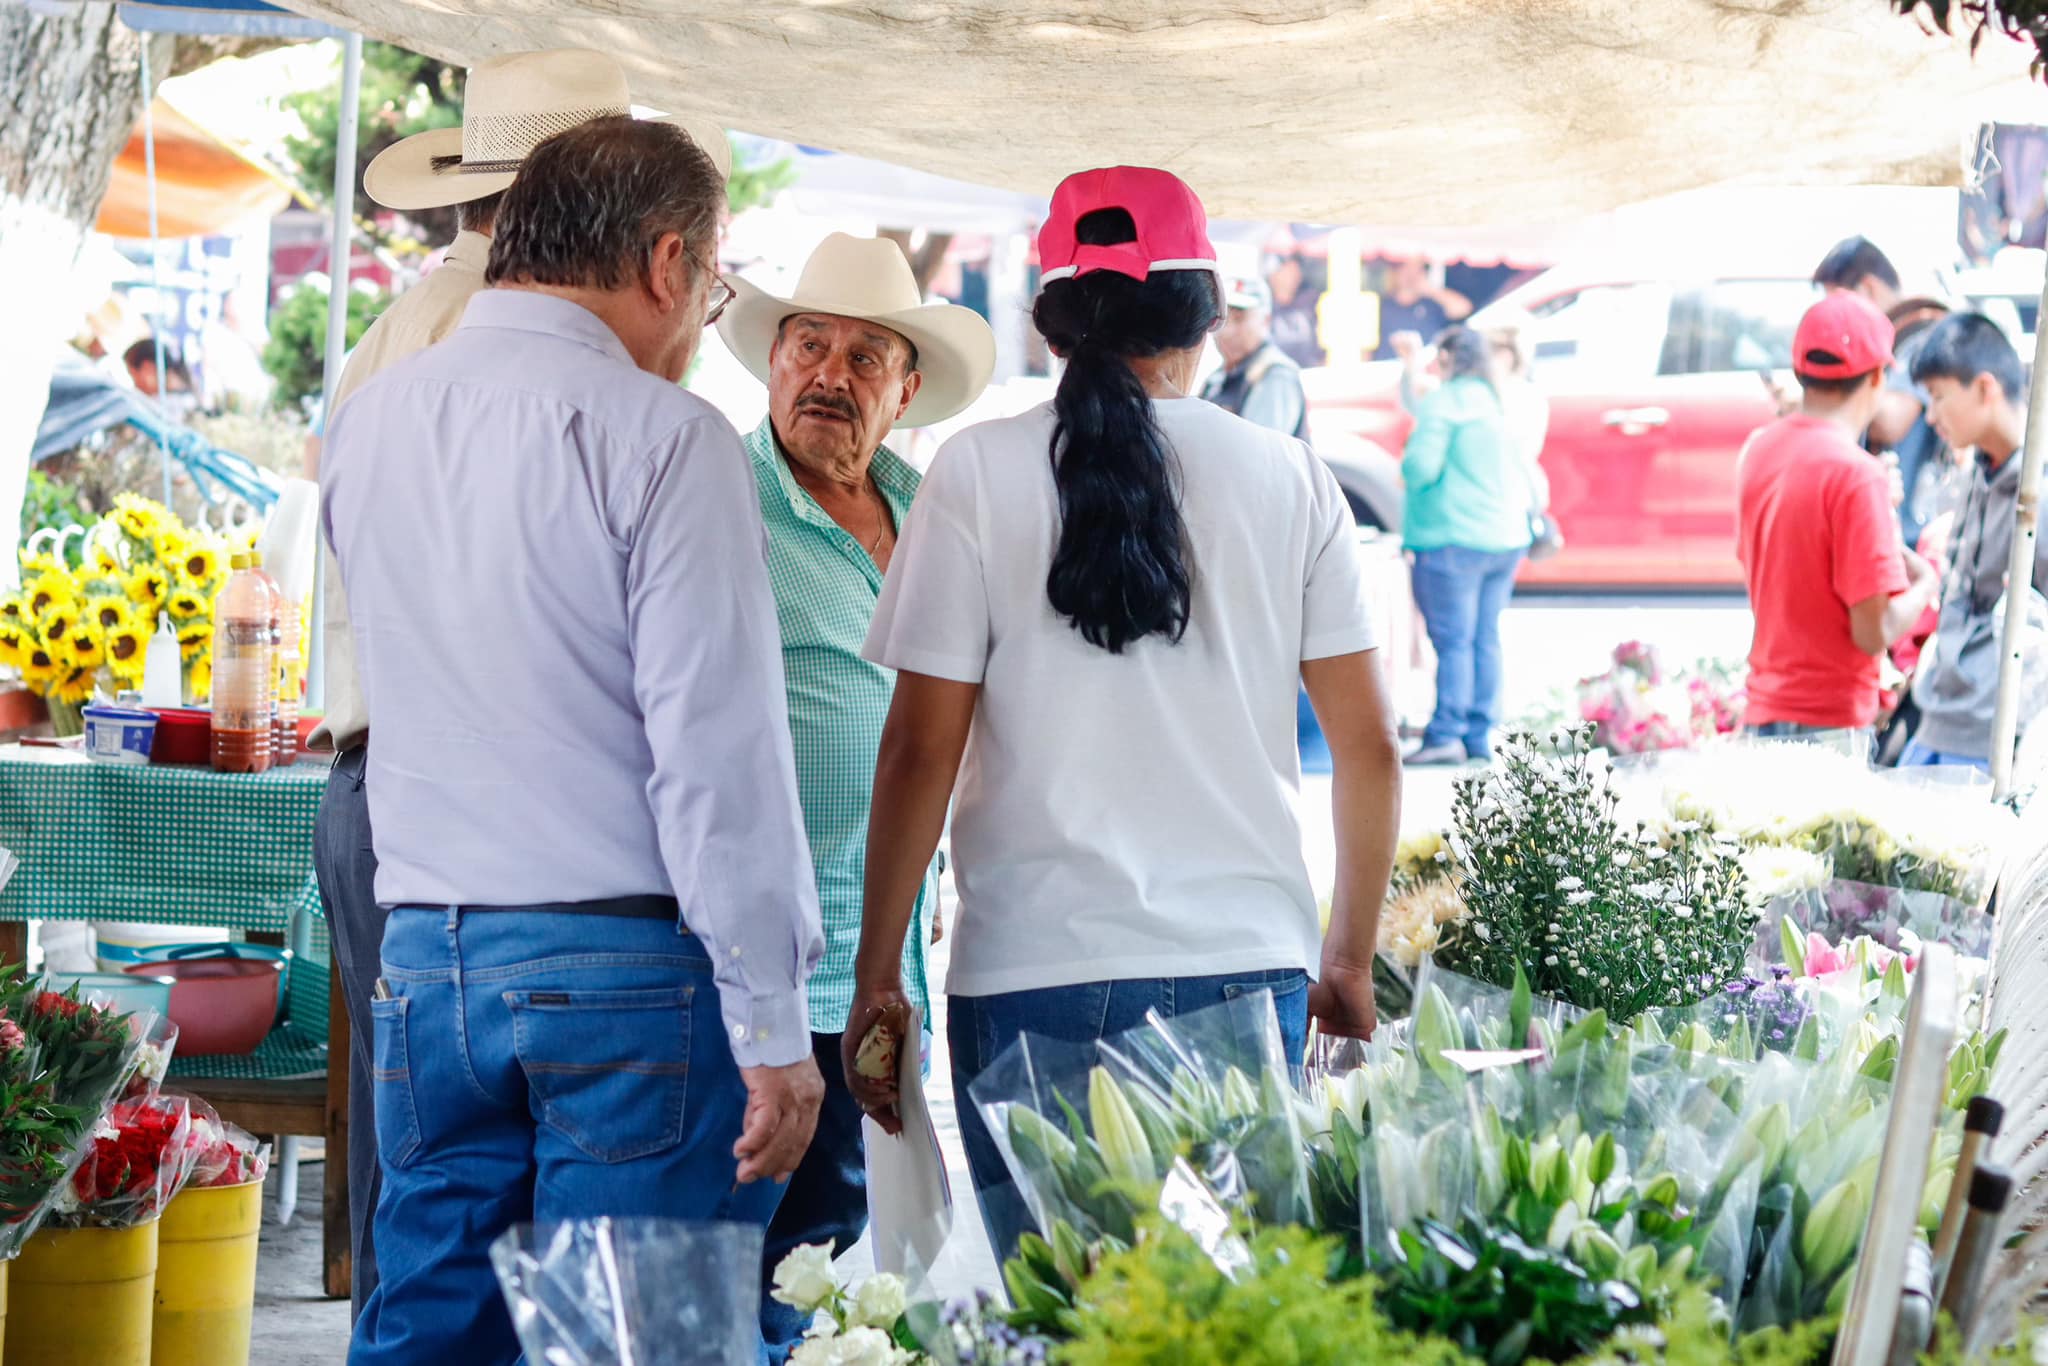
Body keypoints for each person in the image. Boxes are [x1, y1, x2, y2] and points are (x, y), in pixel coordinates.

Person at [323, 116, 823, 1365]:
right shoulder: (663, 436)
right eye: (709, 290)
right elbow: (717, 756)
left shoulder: (371, 420)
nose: (695, 320)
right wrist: (773, 1022)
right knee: (630, 1344)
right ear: (667, 263)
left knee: (426, 1334)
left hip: (430, 959)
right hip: (623, 974)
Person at [839, 166, 1400, 1265]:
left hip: (1025, 980)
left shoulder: (974, 472)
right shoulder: (1289, 477)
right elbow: (1368, 747)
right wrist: (1347, 957)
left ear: (1049, 318)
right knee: (1223, 1322)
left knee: (1061, 1317)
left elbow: (917, 749)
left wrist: (877, 974)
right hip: (1240, 968)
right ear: (1198, 312)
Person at [714, 233, 996, 1357]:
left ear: (906, 387)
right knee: (732, 1266)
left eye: (864, 355)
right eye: (809, 345)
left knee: (827, 1270)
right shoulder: (719, 493)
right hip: (753, 972)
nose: (830, 375)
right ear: (771, 362)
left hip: (880, 970)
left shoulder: (931, 510)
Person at [1737, 292, 1939, 745]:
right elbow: (1874, 632)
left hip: (1762, 712)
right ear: (1876, 379)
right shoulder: (1857, 475)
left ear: (1799, 373)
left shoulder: (1757, 450)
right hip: (1827, 727)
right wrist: (1927, 585)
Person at [1905, 312, 2048, 770]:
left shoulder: (2036, 484)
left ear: (1985, 388)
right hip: (1943, 716)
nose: (1931, 416)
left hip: (1999, 734)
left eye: (1939, 397)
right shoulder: (1980, 470)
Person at [1401, 325, 1532, 766]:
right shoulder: (1498, 401)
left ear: (1449, 359)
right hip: (1505, 537)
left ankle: (1445, 734)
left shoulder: (1446, 401)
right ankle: (1478, 734)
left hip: (1452, 536)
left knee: (1454, 641)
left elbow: (1420, 468)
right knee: (1484, 637)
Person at [1813, 236, 1926, 460]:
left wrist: (1818, 401)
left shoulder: (1919, 335)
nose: (1839, 319)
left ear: (1868, 288)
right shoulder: (1889, 337)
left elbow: (1893, 423)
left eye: (1841, 305)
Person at [1201, 273, 1308, 440]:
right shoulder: (1218, 379)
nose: (1227, 331)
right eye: (1222, 319)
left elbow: (1259, 457)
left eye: (1239, 319)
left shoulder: (1274, 376)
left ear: (1265, 320)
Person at [1371, 257, 1471, 360]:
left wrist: (1430, 290)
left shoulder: (1431, 305)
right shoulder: (1381, 304)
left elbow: (1463, 309)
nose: (1410, 275)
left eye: (1416, 270)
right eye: (1405, 268)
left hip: (1423, 371)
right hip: (1385, 370)